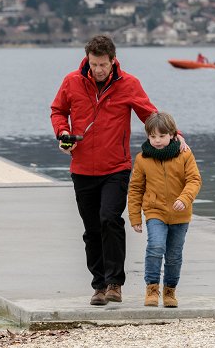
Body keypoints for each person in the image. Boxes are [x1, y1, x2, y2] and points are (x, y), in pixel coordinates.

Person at [50, 34, 188, 307]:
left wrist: (176, 135)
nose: (98, 70)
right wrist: (62, 132)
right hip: (81, 168)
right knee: (91, 229)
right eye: (94, 64)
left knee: (109, 220)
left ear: (113, 61)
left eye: (103, 64)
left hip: (116, 168)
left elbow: (150, 114)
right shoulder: (72, 82)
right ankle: (98, 285)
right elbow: (58, 110)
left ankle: (115, 283)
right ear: (87, 60)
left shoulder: (129, 84)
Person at [128, 112, 201, 308]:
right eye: (152, 137)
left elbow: (194, 180)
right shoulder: (143, 159)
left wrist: (185, 199)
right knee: (155, 247)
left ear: (172, 134)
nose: (157, 141)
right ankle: (152, 289)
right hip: (155, 211)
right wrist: (135, 216)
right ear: (147, 136)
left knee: (174, 255)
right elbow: (136, 188)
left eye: (161, 136)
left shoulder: (185, 154)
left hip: (180, 213)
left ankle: (170, 291)